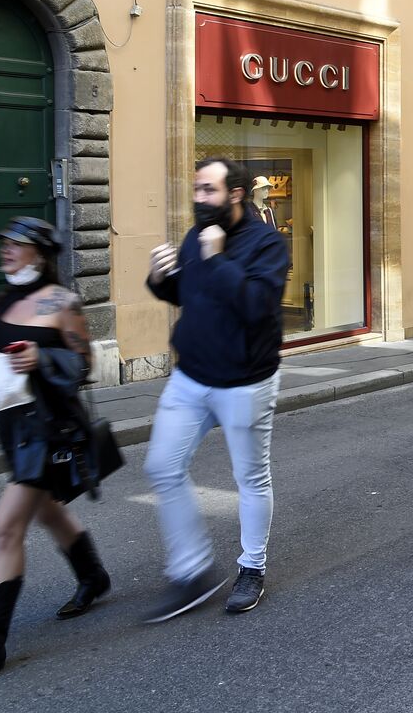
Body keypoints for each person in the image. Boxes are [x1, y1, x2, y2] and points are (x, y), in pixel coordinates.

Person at [0, 217, 106, 680]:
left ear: (40, 253)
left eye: (17, 244)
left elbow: (83, 365)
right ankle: (93, 576)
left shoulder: (61, 301)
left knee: (7, 527)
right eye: (5, 243)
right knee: (49, 511)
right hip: (13, 428)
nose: (6, 250)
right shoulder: (3, 302)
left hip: (49, 427)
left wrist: (44, 357)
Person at [144, 157, 290, 620]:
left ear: (235, 195)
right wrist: (159, 279)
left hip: (246, 382)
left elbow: (256, 307)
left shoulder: (268, 244)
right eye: (196, 189)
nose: (199, 198)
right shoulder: (197, 235)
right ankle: (192, 573)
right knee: (162, 466)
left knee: (250, 478)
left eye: (208, 190)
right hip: (191, 376)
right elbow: (189, 295)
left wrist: (220, 257)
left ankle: (252, 566)